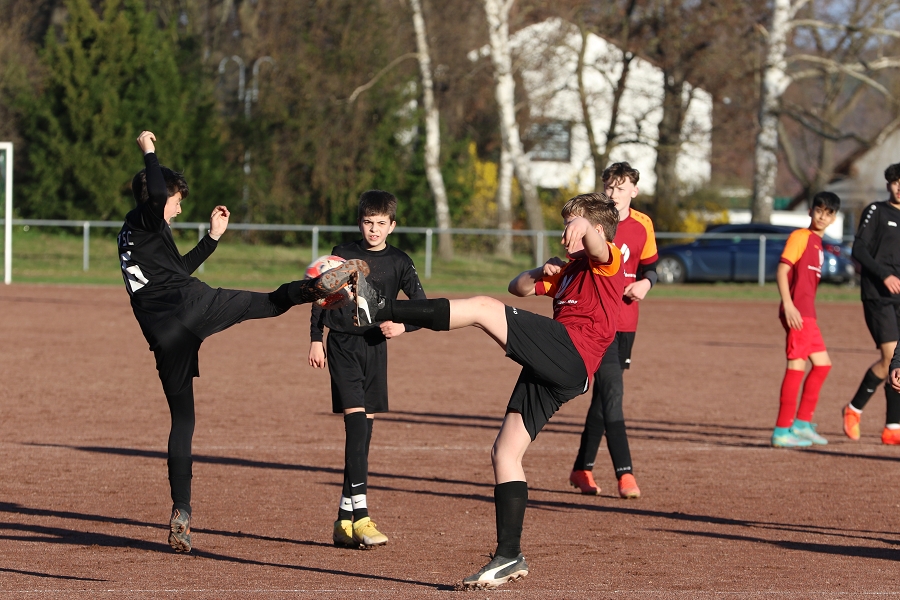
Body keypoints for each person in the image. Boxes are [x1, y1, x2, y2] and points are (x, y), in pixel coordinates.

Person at [351, 193, 623, 589]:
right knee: (504, 452)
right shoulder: (569, 270)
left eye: (570, 224)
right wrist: (540, 270)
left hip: (572, 353)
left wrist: (585, 230)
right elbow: (518, 288)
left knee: (482, 308)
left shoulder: (604, 261)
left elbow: (601, 246)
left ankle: (379, 307)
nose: (564, 231)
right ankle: (509, 555)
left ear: (593, 230)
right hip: (558, 367)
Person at [118, 131, 361, 553]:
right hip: (190, 307)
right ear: (156, 198)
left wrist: (212, 238)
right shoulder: (146, 215)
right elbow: (156, 193)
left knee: (183, 421)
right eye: (176, 200)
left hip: (163, 336)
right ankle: (313, 290)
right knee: (266, 303)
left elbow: (178, 267)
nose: (177, 206)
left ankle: (182, 510)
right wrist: (150, 151)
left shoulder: (135, 233)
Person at [308, 190, 427, 549]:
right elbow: (321, 297)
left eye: (380, 223)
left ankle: (343, 521)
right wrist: (316, 337)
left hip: (375, 348)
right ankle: (362, 517)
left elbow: (423, 307)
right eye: (367, 222)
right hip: (343, 345)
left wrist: (404, 326)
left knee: (363, 439)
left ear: (392, 225)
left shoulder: (401, 262)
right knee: (356, 428)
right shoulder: (342, 254)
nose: (373, 230)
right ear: (360, 222)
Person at [568, 162, 656, 499]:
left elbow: (651, 266)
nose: (613, 193)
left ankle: (582, 468)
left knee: (604, 397)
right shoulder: (593, 221)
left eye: (621, 188)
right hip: (599, 321)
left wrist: (647, 282)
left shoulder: (643, 224)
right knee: (613, 396)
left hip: (627, 323)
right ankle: (626, 474)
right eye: (609, 187)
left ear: (634, 191)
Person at [770, 192, 841, 448]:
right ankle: (782, 430)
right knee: (795, 368)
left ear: (834, 218)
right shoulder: (800, 237)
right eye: (819, 210)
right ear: (810, 211)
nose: (823, 216)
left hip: (809, 313)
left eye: (828, 213)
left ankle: (801, 424)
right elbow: (782, 270)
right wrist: (788, 305)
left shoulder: (818, 243)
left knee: (822, 365)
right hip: (798, 312)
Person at [843, 163, 900, 444]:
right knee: (891, 357)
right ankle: (853, 410)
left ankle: (892, 427)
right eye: (895, 182)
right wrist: (884, 275)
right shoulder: (876, 211)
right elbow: (859, 249)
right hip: (878, 294)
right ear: (888, 184)